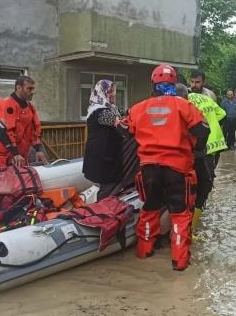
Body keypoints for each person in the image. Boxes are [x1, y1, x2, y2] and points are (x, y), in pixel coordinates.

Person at [126, 64, 209, 271]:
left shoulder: (138, 108)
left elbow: (126, 131)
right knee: (180, 213)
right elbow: (202, 131)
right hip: (177, 167)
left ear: (153, 83)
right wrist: (194, 146)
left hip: (148, 167)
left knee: (150, 208)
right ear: (174, 82)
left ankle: (144, 250)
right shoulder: (183, 105)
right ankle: (179, 261)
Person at [176, 84, 226, 233]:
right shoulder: (205, 99)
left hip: (187, 152)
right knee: (204, 185)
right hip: (209, 147)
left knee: (187, 188)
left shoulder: (178, 103)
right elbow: (222, 114)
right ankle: (192, 226)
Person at [0, 76, 48, 168]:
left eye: (33, 89)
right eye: (29, 88)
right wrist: (14, 153)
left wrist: (38, 150)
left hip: (21, 157)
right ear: (18, 88)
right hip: (4, 157)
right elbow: (3, 131)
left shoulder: (30, 108)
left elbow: (34, 130)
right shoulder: (6, 104)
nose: (32, 92)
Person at [82, 79, 124, 199]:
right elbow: (121, 125)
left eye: (114, 91)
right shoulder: (100, 111)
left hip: (106, 155)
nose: (113, 94)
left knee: (108, 187)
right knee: (106, 189)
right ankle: (102, 213)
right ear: (101, 93)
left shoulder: (111, 109)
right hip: (102, 157)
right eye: (109, 92)